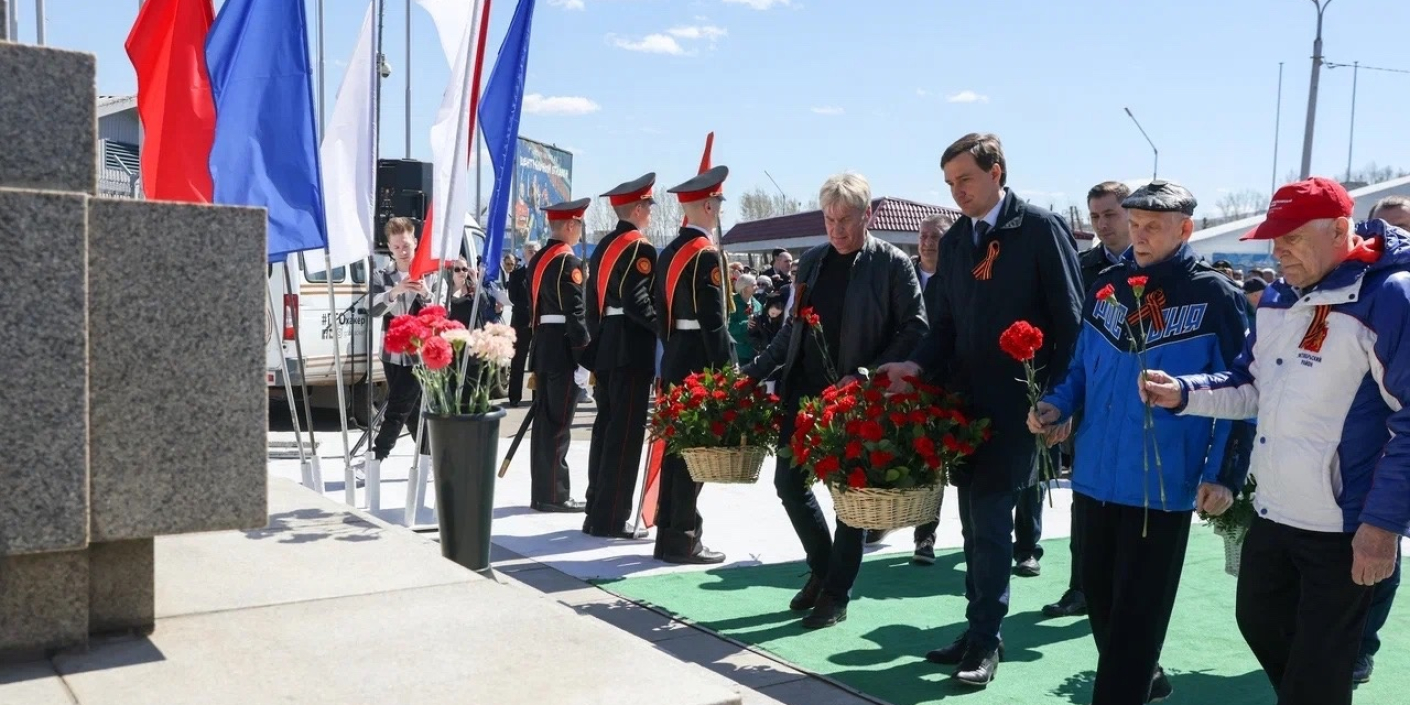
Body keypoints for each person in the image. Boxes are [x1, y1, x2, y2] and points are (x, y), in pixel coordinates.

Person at [1141, 177, 1410, 705]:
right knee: (1259, 622)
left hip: (1345, 525)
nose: (1277, 250)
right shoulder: (1281, 296)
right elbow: (1250, 385)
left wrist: (1382, 526)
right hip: (1274, 511)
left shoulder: (1391, 297)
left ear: (1338, 231)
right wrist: (1183, 393)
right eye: (1273, 237)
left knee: (1320, 665)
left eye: (1291, 237)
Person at [1029, 180, 1252, 704]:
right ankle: (1145, 678)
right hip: (1094, 479)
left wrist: (1223, 475)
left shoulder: (1215, 296)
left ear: (1185, 229)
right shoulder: (1106, 284)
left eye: (1154, 227)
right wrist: (1056, 405)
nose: (1140, 236)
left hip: (1161, 486)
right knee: (1104, 607)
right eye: (1136, 225)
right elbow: (1082, 365)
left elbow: (1245, 395)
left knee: (1135, 615)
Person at [877, 133, 1083, 687]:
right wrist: (916, 368)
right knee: (972, 526)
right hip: (963, 408)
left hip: (1019, 407)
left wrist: (1060, 397)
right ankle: (976, 630)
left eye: (964, 179)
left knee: (990, 523)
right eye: (949, 184)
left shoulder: (1039, 230)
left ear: (997, 172)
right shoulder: (959, 241)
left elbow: (1070, 324)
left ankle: (986, 640)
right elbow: (942, 326)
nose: (957, 192)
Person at [743, 173, 927, 629]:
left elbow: (916, 327)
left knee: (850, 501)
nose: (836, 228)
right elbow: (792, 329)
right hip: (803, 397)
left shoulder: (892, 264)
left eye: (845, 219)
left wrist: (867, 374)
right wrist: (752, 372)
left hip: (858, 401)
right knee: (788, 484)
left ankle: (836, 592)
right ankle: (824, 570)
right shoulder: (812, 263)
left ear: (868, 215)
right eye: (829, 218)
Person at [1040, 181, 1135, 619]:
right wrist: (1065, 405)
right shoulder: (1082, 268)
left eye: (1110, 215)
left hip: (1142, 407)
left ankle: (1126, 593)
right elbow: (1070, 338)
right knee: (1087, 499)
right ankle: (1082, 587)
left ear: (1131, 213)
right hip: (1092, 402)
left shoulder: (1158, 268)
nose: (1102, 225)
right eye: (1095, 217)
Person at [651, 166, 735, 565]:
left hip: (674, 354)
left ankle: (669, 534)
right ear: (707, 204)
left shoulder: (668, 252)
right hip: (699, 359)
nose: (719, 208)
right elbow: (713, 320)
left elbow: (658, 311)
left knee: (675, 452)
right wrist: (726, 370)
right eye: (718, 202)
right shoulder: (704, 254)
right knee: (693, 454)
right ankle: (684, 538)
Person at [1353, 194, 1410, 683]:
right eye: (1384, 227)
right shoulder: (1365, 290)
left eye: (1404, 228)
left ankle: (1361, 645)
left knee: (1386, 540)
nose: (1392, 237)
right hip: (1375, 444)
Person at [583, 173, 658, 539]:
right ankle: (611, 518)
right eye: (648, 206)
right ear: (639, 208)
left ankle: (596, 507)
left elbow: (591, 303)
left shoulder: (602, 247)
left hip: (608, 344)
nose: (650, 213)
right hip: (631, 347)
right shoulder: (639, 247)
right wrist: (666, 328)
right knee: (624, 436)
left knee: (605, 429)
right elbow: (638, 301)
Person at [524, 199, 592, 513]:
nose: (579, 232)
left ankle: (542, 491)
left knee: (544, 424)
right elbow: (576, 315)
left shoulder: (538, 259)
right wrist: (584, 358)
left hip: (543, 346)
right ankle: (555, 494)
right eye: (579, 225)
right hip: (564, 349)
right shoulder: (569, 262)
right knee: (559, 426)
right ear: (569, 225)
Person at [366, 217, 432, 510]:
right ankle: (434, 457)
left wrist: (425, 294)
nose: (402, 250)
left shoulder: (428, 273)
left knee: (397, 408)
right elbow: (372, 308)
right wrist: (396, 291)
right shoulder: (383, 275)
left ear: (415, 242)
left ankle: (376, 457)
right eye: (396, 246)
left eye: (406, 245)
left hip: (419, 354)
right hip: (392, 353)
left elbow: (442, 308)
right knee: (413, 412)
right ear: (390, 249)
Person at [909, 212, 950, 565]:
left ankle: (925, 536)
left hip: (944, 383)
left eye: (935, 236)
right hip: (903, 379)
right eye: (923, 235)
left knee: (932, 461)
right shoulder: (903, 275)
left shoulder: (956, 279)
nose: (927, 242)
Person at [506, 241, 540, 408]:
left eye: (535, 251)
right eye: (530, 251)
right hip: (521, 321)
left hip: (540, 323)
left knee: (539, 361)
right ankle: (514, 396)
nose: (533, 254)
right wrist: (529, 310)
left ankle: (537, 397)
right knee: (518, 360)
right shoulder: (517, 274)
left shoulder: (544, 271)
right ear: (524, 254)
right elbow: (513, 298)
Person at [730, 272, 761, 361]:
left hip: (754, 352)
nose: (757, 287)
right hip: (738, 352)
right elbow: (728, 327)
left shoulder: (757, 304)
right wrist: (745, 325)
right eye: (754, 285)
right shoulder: (732, 303)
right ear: (745, 288)